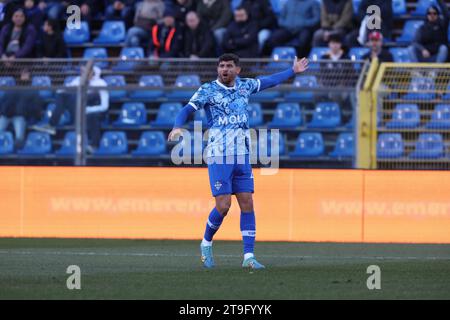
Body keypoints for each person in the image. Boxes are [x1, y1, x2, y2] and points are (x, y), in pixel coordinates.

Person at [167, 53, 309, 269]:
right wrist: (177, 125)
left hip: (242, 154)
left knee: (247, 202)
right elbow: (188, 109)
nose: (225, 69)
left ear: (238, 70)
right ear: (217, 69)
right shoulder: (208, 90)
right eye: (221, 66)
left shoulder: (245, 86)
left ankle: (248, 257)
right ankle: (206, 243)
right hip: (218, 154)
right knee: (223, 206)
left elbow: (269, 82)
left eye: (229, 66)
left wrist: (293, 71)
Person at [31, 66, 109, 153]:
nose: (82, 74)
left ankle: (94, 145)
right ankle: (52, 124)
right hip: (77, 107)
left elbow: (104, 106)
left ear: (92, 72)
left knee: (92, 115)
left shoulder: (101, 83)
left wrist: (88, 109)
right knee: (62, 94)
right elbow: (64, 90)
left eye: (85, 72)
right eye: (82, 72)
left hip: (94, 109)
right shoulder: (78, 80)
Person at [0, 68, 44, 149]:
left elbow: (37, 107)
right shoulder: (12, 88)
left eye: (26, 73)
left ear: (30, 76)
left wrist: (30, 116)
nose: (24, 75)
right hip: (6, 115)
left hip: (20, 116)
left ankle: (17, 156)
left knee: (19, 137)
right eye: (23, 73)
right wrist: (3, 111)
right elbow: (3, 101)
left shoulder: (33, 90)